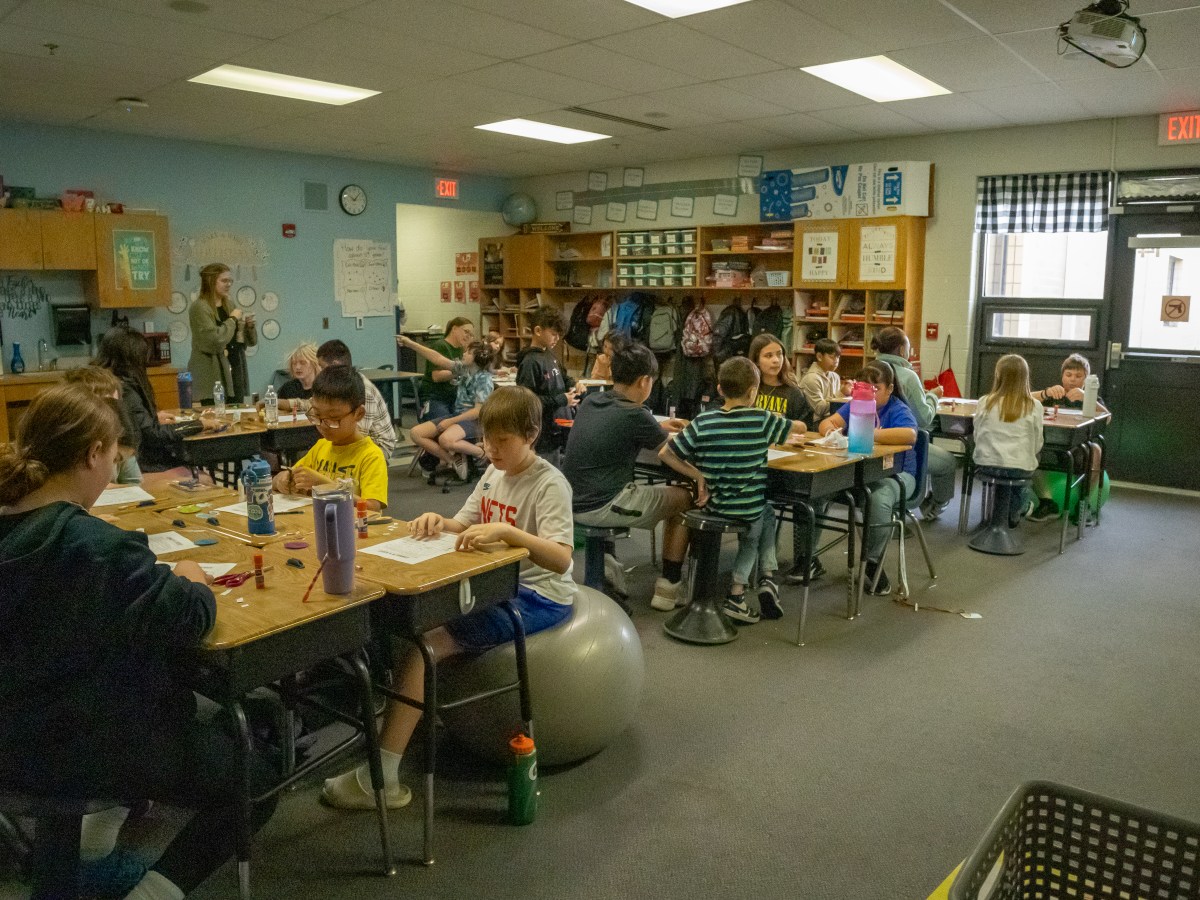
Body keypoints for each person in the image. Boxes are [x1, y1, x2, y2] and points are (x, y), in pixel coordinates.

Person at [0, 384, 277, 900]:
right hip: (83, 740)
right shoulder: (97, 548)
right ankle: (153, 892)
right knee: (257, 774)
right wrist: (192, 575)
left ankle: (80, 854)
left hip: (13, 735)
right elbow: (189, 618)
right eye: (111, 456)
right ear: (92, 455)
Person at [321, 387, 576, 809]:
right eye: (485, 441)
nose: (490, 450)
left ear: (531, 435)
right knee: (404, 623)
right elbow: (463, 523)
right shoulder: (495, 471)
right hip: (494, 582)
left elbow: (562, 559)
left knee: (426, 644)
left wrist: (509, 533)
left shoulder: (549, 483)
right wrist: (439, 521)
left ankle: (381, 777)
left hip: (536, 595)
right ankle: (406, 722)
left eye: (502, 442)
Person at [659, 357, 806, 624]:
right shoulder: (762, 420)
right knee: (758, 522)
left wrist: (698, 474)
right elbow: (799, 429)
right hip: (747, 509)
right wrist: (792, 424)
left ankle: (767, 578)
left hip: (714, 505)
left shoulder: (704, 421)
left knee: (766, 514)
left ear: (719, 389)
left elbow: (666, 453)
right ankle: (740, 592)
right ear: (753, 393)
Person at [563, 342, 692, 611]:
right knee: (686, 496)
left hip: (571, 501)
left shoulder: (592, 401)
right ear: (645, 381)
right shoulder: (636, 414)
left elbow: (622, 425)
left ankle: (609, 565)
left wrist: (657, 425)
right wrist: (699, 476)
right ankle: (669, 585)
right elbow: (671, 454)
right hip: (602, 506)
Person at [818, 361, 918, 596]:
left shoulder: (896, 409)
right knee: (817, 488)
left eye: (876, 388)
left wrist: (869, 434)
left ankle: (873, 564)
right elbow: (827, 422)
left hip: (898, 475)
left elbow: (910, 434)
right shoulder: (856, 404)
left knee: (878, 498)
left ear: (890, 389)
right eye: (863, 387)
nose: (869, 393)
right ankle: (806, 560)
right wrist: (832, 432)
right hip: (860, 473)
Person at [95, 326, 220, 475]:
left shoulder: (109, 382)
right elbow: (154, 435)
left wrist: (152, 417)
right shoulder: (126, 388)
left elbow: (136, 422)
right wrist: (199, 424)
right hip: (143, 464)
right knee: (202, 477)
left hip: (132, 461)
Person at [271, 365, 388, 511]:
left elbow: (372, 508)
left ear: (359, 414)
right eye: (317, 416)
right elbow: (285, 476)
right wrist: (281, 480)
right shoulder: (321, 447)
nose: (323, 425)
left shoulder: (371, 456)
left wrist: (324, 485)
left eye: (333, 418)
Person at [870, 327, 957, 521]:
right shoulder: (909, 377)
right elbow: (924, 419)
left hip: (872, 448)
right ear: (902, 350)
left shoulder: (871, 371)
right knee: (949, 462)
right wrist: (933, 396)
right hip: (902, 446)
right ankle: (935, 505)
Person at [398, 335, 497, 480]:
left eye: (468, 352)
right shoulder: (464, 369)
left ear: (476, 358)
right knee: (416, 433)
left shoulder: (484, 379)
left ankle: (481, 453)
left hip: (475, 421)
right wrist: (411, 344)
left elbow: (478, 411)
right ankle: (453, 460)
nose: (463, 354)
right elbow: (437, 359)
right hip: (459, 416)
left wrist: (451, 421)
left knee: (446, 439)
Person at [1028, 353, 1105, 521]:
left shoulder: (1091, 397)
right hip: (1051, 444)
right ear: (1062, 376)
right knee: (1029, 448)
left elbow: (1107, 417)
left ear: (1085, 380)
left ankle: (1083, 503)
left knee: (1097, 450)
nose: (1072, 380)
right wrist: (1045, 393)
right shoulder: (1053, 394)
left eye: (1078, 376)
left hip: (1080, 446)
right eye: (1068, 375)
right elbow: (1023, 399)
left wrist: (1087, 398)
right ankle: (1047, 502)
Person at [974, 354, 1044, 527]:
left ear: (998, 376)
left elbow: (977, 435)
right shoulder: (1034, 406)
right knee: (1029, 461)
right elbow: (1037, 443)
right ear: (1025, 378)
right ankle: (1019, 508)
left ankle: (1004, 515)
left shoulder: (984, 402)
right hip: (1020, 468)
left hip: (986, 464)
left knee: (1004, 471)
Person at [316, 339, 396, 459]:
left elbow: (359, 433)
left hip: (379, 444)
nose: (320, 372)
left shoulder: (363, 389)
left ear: (335, 365)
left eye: (322, 367)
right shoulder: (340, 386)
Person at [64, 365, 142, 485]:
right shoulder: (66, 444)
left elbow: (134, 482)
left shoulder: (120, 439)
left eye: (114, 406)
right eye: (100, 406)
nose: (109, 414)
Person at [516, 306, 580, 454]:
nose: (557, 339)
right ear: (538, 331)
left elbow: (564, 378)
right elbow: (526, 402)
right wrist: (561, 400)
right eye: (553, 334)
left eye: (559, 335)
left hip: (556, 429)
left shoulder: (549, 355)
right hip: (541, 433)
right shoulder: (530, 362)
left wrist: (573, 384)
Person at [187, 263, 242, 404]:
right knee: (215, 420)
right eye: (224, 281)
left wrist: (249, 327)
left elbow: (242, 341)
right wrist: (233, 319)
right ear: (210, 281)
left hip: (233, 370)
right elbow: (214, 341)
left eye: (230, 281)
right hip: (210, 374)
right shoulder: (199, 307)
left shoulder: (229, 305)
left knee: (236, 418)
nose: (229, 284)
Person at [749, 333, 815, 427]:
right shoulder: (746, 389)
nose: (776, 360)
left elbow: (806, 427)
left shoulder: (794, 392)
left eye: (779, 354)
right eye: (768, 356)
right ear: (756, 361)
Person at [418, 317, 475, 422]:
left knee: (469, 420)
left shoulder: (460, 349)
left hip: (454, 398)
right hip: (436, 397)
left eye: (471, 335)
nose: (468, 336)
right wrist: (460, 369)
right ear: (454, 329)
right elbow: (437, 376)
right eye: (466, 332)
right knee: (443, 425)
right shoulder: (440, 346)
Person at [799, 338, 849, 420]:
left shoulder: (835, 376)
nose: (836, 361)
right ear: (819, 357)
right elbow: (818, 410)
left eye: (838, 357)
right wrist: (841, 393)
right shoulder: (811, 378)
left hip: (830, 419)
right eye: (832, 357)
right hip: (814, 424)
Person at [276, 342, 320, 414]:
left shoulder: (324, 386)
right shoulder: (288, 387)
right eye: (294, 363)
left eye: (303, 363)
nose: (297, 367)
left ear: (314, 363)